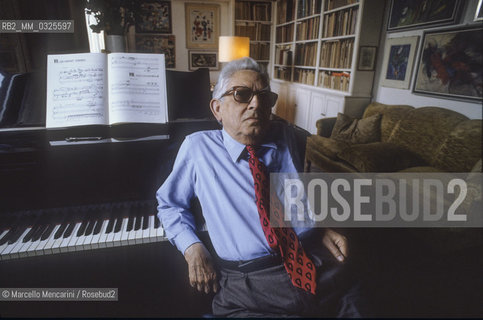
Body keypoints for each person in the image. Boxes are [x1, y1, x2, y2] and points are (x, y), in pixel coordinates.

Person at [157, 57, 361, 317]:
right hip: (252, 285)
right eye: (242, 95)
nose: (256, 104)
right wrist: (192, 247)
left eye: (264, 98)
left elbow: (303, 193)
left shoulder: (288, 136)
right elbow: (169, 204)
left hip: (317, 265)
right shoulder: (198, 148)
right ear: (217, 108)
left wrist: (319, 226)